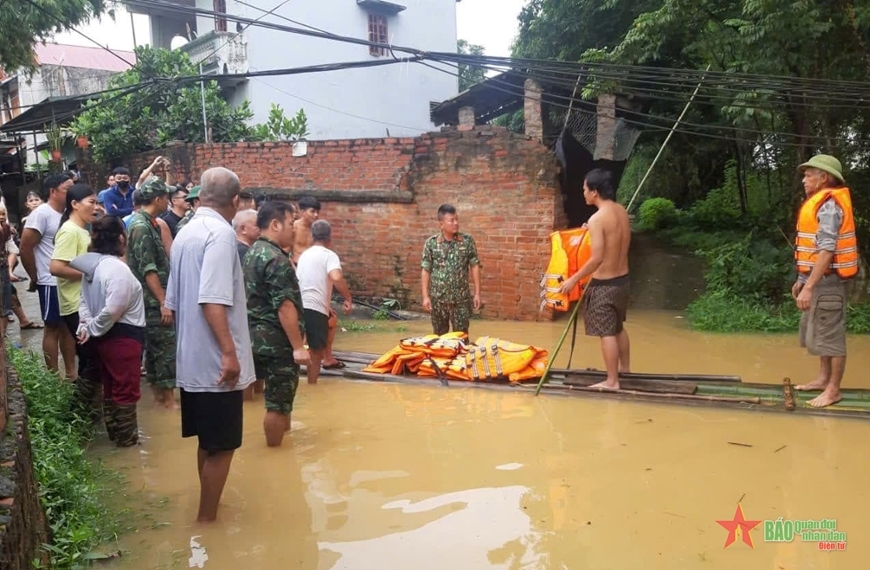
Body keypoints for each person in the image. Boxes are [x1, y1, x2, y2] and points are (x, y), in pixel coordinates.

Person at [164, 167, 256, 523]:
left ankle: (207, 505)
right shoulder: (220, 235)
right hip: (217, 362)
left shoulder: (184, 233)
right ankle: (207, 519)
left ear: (200, 196)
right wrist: (230, 354)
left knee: (208, 441)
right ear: (235, 201)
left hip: (192, 358)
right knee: (224, 446)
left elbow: (172, 303)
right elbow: (212, 300)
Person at [71, 216, 146, 447]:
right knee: (125, 390)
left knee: (111, 387)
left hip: (102, 337)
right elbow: (113, 309)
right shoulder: (118, 270)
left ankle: (115, 436)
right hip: (122, 339)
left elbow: (82, 300)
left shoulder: (93, 267)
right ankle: (127, 443)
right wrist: (91, 328)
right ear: (122, 239)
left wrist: (85, 325)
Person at [792, 155, 859, 408]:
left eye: (809, 175)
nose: (804, 179)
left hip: (828, 283)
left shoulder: (830, 205)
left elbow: (827, 250)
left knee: (831, 335)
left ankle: (833, 390)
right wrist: (802, 278)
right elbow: (811, 247)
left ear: (824, 178)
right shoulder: (818, 204)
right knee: (819, 330)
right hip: (816, 279)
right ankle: (822, 379)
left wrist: (809, 287)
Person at [243, 201, 310, 445]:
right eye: (291, 224)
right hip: (276, 342)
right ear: (275, 224)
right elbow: (285, 306)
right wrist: (297, 346)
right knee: (277, 404)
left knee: (278, 399)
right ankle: (275, 452)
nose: (294, 229)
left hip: (254, 337)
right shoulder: (275, 259)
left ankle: (284, 440)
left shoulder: (253, 251)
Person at [558, 169, 631, 390]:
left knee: (606, 332)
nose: (583, 193)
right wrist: (592, 231)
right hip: (623, 280)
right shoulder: (621, 211)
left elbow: (597, 258)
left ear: (595, 191)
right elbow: (614, 240)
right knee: (618, 327)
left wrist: (573, 279)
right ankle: (624, 370)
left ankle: (612, 381)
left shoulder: (597, 218)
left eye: (585, 189)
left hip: (604, 284)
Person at [20, 173, 78, 379]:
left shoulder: (70, 212)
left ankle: (71, 373)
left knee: (69, 328)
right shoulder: (42, 214)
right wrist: (36, 277)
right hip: (50, 281)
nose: (71, 192)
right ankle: (53, 377)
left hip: (70, 279)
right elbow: (25, 247)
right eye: (66, 189)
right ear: (53, 191)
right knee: (53, 327)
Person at [127, 176, 178, 409]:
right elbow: (148, 269)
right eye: (166, 197)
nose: (169, 201)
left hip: (152, 299)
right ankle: (168, 402)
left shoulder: (150, 223)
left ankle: (160, 402)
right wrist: (163, 301)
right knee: (165, 349)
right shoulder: (141, 227)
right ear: (158, 199)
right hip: (152, 301)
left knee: (157, 350)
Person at [50, 184, 99, 408]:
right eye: (91, 202)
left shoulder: (82, 230)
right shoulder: (70, 231)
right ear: (74, 204)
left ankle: (87, 410)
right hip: (75, 306)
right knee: (90, 361)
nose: (96, 207)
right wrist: (92, 274)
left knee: (91, 359)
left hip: (85, 305)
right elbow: (56, 268)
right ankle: (80, 411)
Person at [297, 220, 353, 385]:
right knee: (315, 350)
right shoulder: (329, 255)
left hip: (298, 306)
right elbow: (336, 277)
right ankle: (312, 385)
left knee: (299, 346)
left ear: (312, 237)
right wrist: (348, 298)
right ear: (330, 238)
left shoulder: (304, 255)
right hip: (314, 308)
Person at [420, 204, 482, 336]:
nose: (456, 223)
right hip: (438, 300)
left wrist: (477, 294)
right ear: (441, 224)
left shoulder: (466, 241)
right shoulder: (431, 243)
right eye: (452, 220)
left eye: (457, 219)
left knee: (461, 337)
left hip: (460, 300)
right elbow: (426, 269)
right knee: (439, 338)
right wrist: (425, 297)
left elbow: (474, 266)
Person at [0, 205, 40, 330]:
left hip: (2, 270)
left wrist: (9, 271)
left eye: (3, 214)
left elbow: (13, 250)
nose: (2, 217)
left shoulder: (6, 229)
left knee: (6, 303)